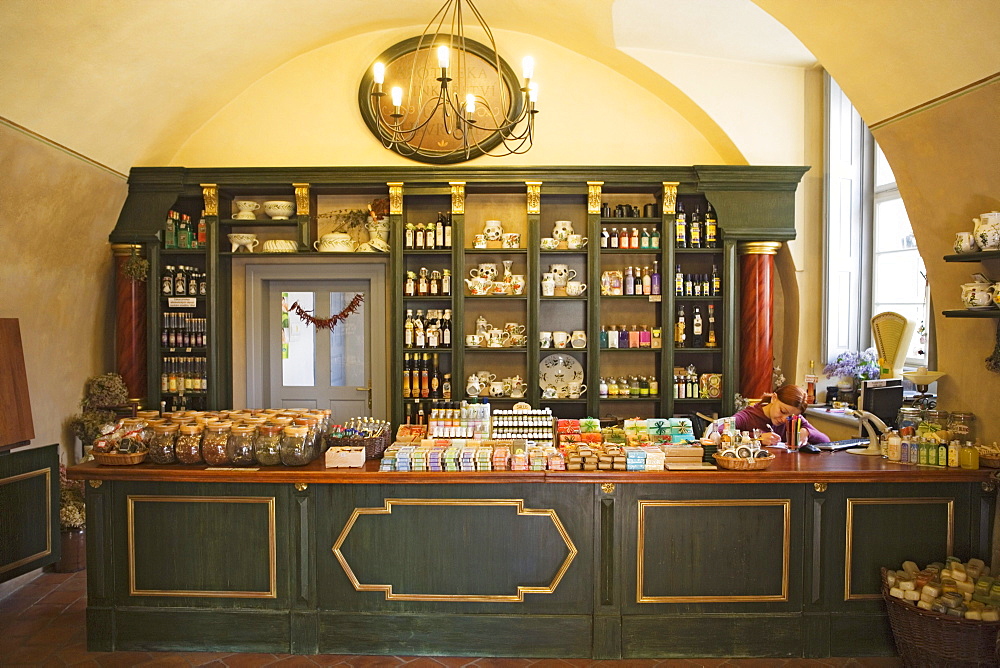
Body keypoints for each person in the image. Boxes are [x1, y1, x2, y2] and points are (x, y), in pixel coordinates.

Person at [729, 384, 830, 446]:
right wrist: (757, 438)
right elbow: (720, 432)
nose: (784, 419)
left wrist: (807, 432)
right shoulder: (748, 416)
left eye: (790, 417)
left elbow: (826, 441)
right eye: (782, 411)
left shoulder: (795, 419)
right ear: (774, 398)